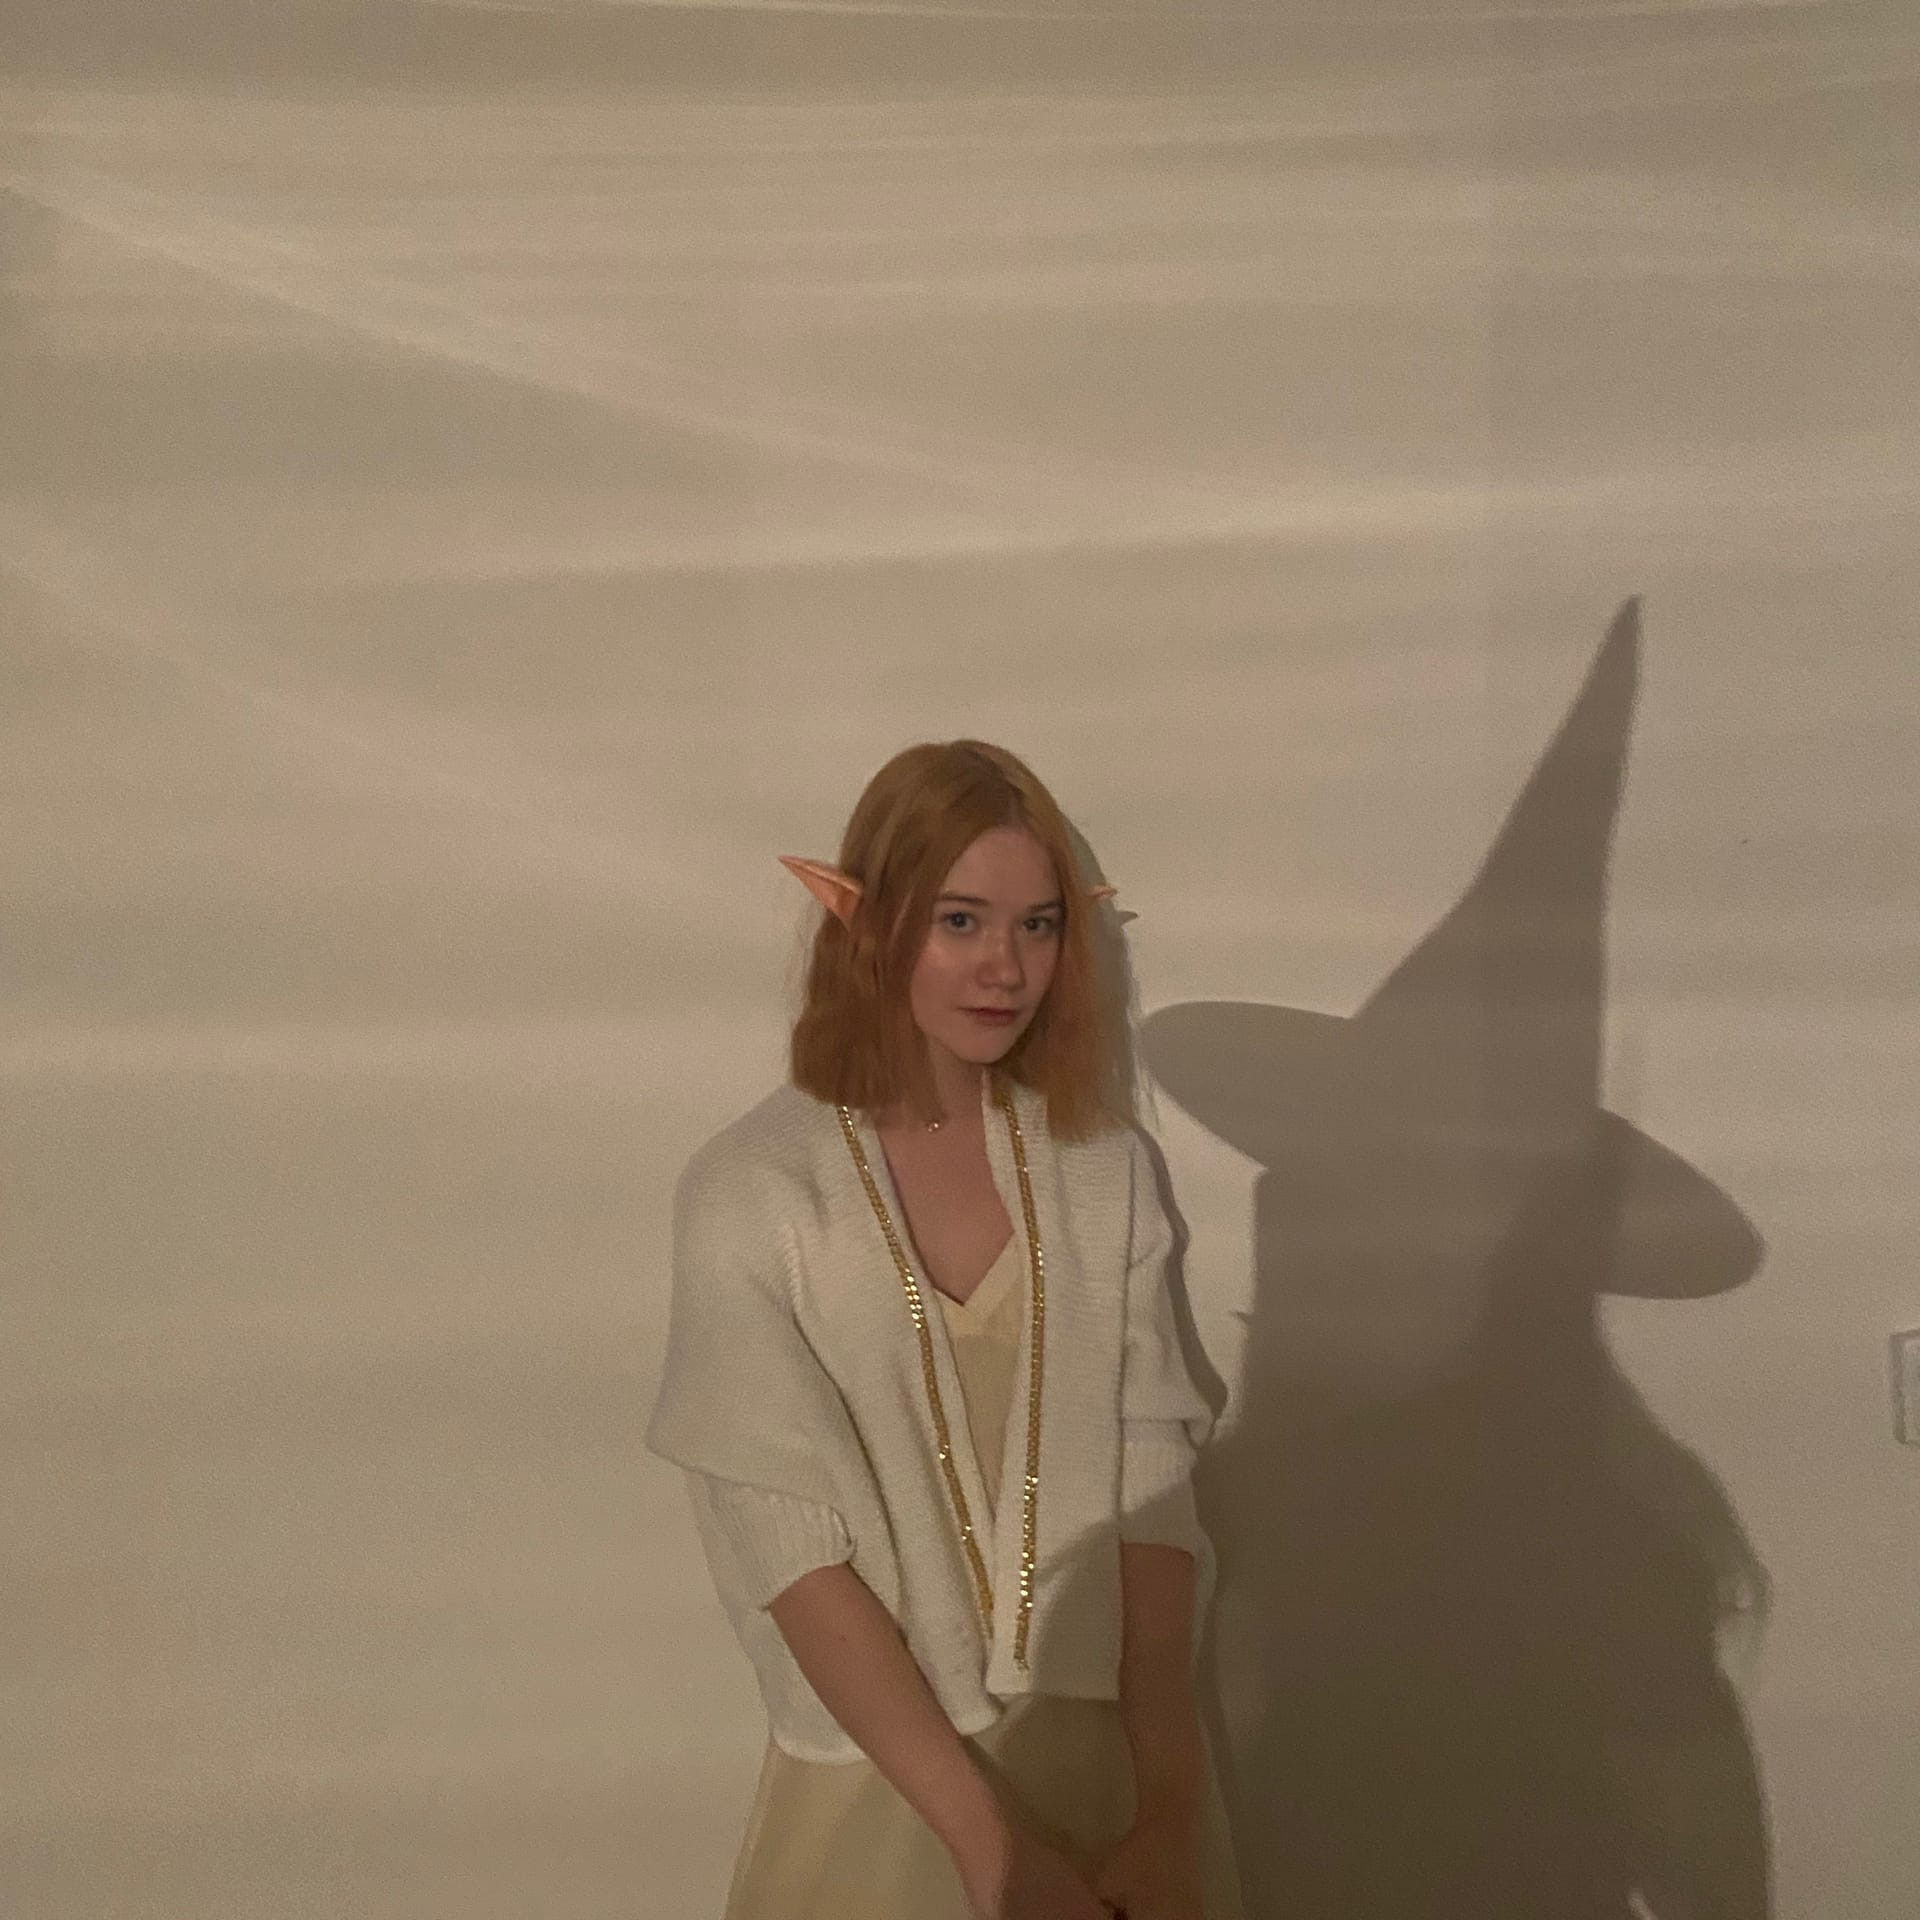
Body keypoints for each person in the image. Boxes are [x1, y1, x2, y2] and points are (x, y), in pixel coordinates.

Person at [647, 739, 1243, 1920]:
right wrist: (991, 1851)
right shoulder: (752, 1193)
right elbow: (788, 1551)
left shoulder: (1106, 1171)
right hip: (882, 1794)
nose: (1005, 968)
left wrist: (1172, 1810)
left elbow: (1154, 1493)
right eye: (960, 920)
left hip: (1115, 1782)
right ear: (869, 922)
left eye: (1038, 926)